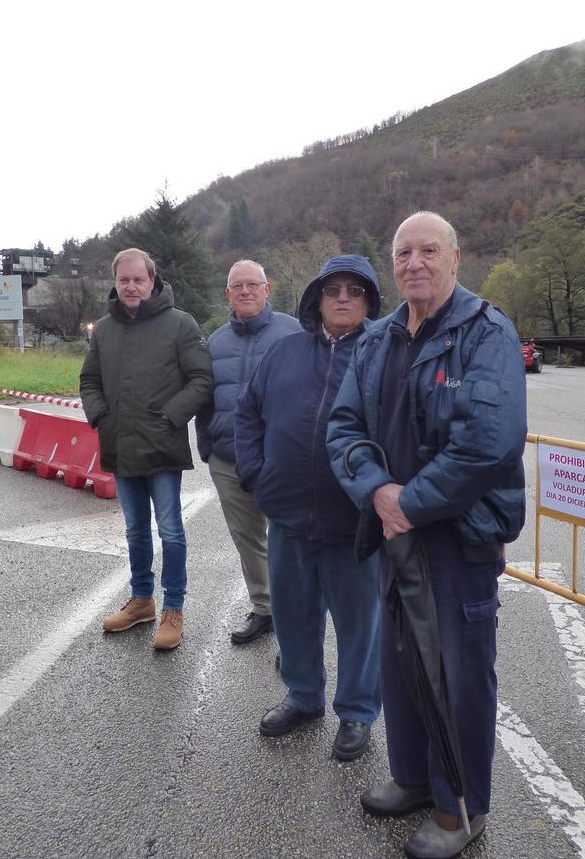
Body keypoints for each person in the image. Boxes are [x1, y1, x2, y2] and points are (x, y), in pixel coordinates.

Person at [327, 212, 527, 858]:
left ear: (455, 257)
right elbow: (344, 429)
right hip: (393, 529)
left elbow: (487, 445)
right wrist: (377, 492)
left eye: (428, 250)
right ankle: (414, 777)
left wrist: (409, 502)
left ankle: (460, 808)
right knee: (402, 660)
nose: (414, 262)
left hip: (456, 538)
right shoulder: (377, 339)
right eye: (403, 252)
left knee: (459, 674)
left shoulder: (487, 333)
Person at [236, 254, 383, 762]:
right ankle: (303, 697)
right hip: (289, 518)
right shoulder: (284, 353)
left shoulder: (382, 354)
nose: (343, 298)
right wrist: (258, 476)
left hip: (355, 524)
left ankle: (358, 713)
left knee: (360, 624)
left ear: (370, 301)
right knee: (294, 616)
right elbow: (248, 415)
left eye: (355, 291)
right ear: (315, 298)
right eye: (332, 289)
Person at [80, 248, 213, 651]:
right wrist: (102, 416)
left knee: (171, 530)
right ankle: (142, 601)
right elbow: (89, 382)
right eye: (125, 280)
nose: (132, 286)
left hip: (162, 447)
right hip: (120, 445)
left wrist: (171, 417)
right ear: (116, 283)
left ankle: (173, 608)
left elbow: (202, 379)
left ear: (153, 281)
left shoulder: (179, 324)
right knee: (135, 530)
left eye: (139, 279)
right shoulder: (103, 329)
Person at [196, 259, 301, 645]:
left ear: (266, 288)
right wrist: (207, 446)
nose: (245, 291)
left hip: (279, 459)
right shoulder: (216, 341)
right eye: (236, 286)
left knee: (289, 542)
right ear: (228, 294)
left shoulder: (293, 332)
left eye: (252, 284)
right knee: (248, 539)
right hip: (228, 459)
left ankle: (294, 622)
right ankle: (264, 609)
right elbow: (205, 398)